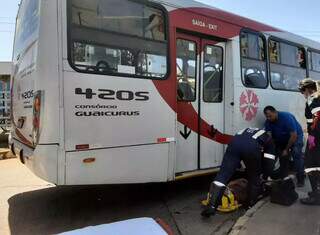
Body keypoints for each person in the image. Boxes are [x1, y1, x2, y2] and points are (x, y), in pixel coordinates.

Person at [201, 127, 276, 218]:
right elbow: (269, 162)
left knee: (223, 175)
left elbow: (240, 148)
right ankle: (250, 205)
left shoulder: (248, 130)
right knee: (254, 177)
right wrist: (265, 176)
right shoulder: (269, 138)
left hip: (234, 143)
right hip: (251, 147)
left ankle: (211, 206)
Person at [263, 106, 305, 186]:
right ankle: (283, 177)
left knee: (296, 153)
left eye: (270, 116)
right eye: (267, 116)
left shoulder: (286, 118)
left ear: (275, 112)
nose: (268, 118)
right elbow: (269, 135)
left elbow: (293, 135)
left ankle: (301, 178)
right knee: (282, 156)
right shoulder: (268, 122)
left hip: (295, 137)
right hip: (282, 139)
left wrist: (286, 149)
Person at [298, 79, 320, 205]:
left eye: (302, 91)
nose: (302, 94)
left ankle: (316, 197)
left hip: (316, 138)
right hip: (316, 136)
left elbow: (318, 117)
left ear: (308, 89)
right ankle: (316, 193)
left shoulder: (313, 98)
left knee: (310, 165)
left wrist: (313, 137)